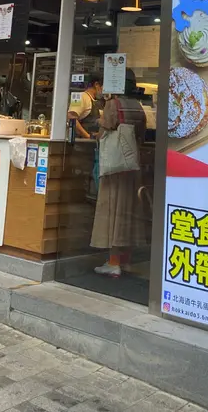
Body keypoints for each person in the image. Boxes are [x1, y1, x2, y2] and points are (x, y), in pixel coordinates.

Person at [91, 71, 148, 277]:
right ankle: (126, 260)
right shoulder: (137, 105)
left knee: (112, 211)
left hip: (114, 167)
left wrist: (98, 123)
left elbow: (106, 128)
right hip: (132, 165)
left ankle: (113, 262)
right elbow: (141, 133)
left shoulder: (113, 104)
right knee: (128, 212)